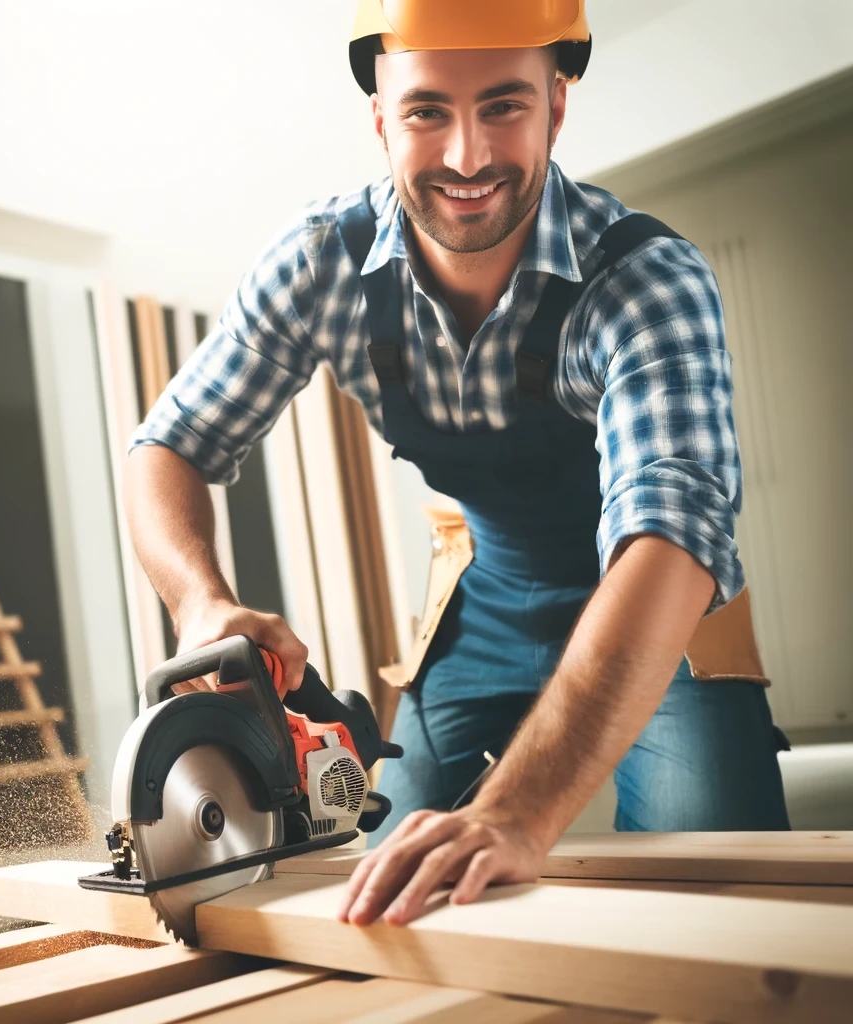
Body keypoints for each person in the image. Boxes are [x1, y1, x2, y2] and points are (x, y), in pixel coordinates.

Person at [124, 0, 790, 929]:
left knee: (716, 898)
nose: (468, 156)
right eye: (428, 110)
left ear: (558, 106)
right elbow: (168, 444)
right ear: (381, 119)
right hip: (488, 603)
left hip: (660, 610)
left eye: (505, 107)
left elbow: (670, 537)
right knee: (382, 869)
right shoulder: (320, 263)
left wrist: (516, 812)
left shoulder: (647, 281)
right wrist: (198, 601)